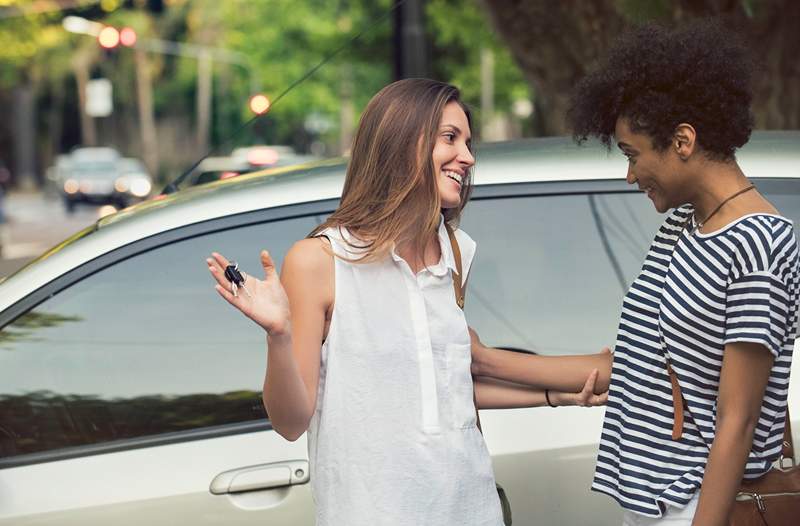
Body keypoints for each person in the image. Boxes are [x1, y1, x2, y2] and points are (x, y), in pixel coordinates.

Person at [206, 78, 607, 526]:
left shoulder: (455, 253)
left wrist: (556, 394)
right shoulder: (320, 259)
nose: (468, 157)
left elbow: (442, 388)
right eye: (449, 138)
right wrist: (279, 335)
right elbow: (291, 421)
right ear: (401, 144)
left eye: (468, 142)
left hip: (471, 511)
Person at [564, 21, 799, 525]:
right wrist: (484, 362)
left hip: (698, 505)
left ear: (683, 140)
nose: (629, 175)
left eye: (633, 154)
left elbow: (737, 421)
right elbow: (635, 365)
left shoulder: (760, 243)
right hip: (653, 505)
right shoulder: (682, 226)